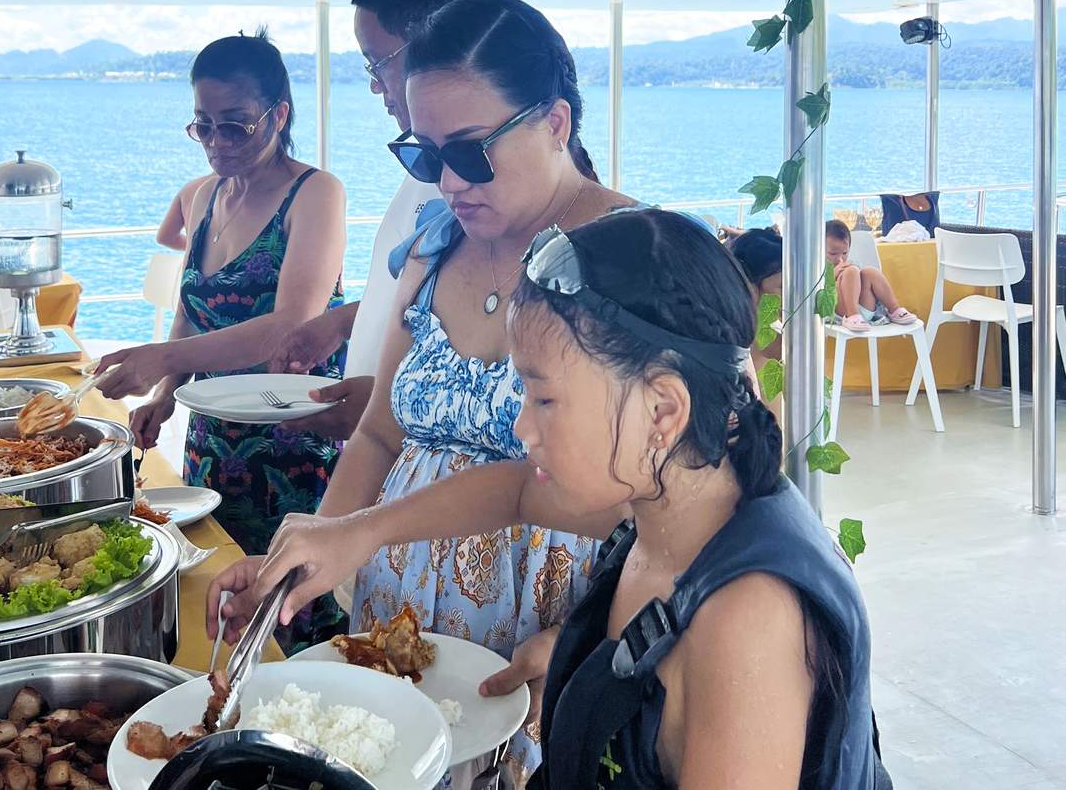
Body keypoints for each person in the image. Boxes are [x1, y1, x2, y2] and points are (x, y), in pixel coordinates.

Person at [224, 209, 891, 790]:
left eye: (542, 397)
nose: (522, 428)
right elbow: (513, 492)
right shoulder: (672, 494)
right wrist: (355, 532)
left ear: (662, 408)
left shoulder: (748, 619)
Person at [214, 0, 636, 786]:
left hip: (554, 646)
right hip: (405, 636)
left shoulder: (636, 258)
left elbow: (702, 495)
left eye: (470, 152)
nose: (446, 180)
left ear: (554, 122)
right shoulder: (437, 246)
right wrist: (309, 556)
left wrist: (595, 637)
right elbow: (378, 435)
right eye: (422, 154)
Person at [93, 32, 348, 652]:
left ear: (279, 115)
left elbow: (291, 321)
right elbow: (191, 308)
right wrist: (165, 390)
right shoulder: (203, 196)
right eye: (203, 126)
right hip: (214, 440)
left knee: (296, 609)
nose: (216, 143)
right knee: (219, 600)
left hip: (299, 441)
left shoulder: (314, 192)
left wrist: (166, 358)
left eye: (235, 126)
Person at [268, 0, 485, 442]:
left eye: (376, 62)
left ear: (429, 44)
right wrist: (345, 321)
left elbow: (502, 345)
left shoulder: (489, 185)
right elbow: (432, 303)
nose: (374, 85)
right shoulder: (425, 162)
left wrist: (392, 407)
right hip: (383, 460)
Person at [730, 227, 784, 425]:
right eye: (782, 287)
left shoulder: (740, 317)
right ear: (750, 285)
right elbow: (777, 350)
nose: (789, 295)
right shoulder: (753, 327)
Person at [826, 220, 916, 332]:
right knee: (852, 271)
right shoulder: (817, 269)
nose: (840, 259)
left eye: (844, 253)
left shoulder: (850, 264)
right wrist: (831, 276)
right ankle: (852, 315)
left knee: (869, 271)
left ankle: (894, 310)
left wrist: (853, 276)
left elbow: (859, 282)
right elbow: (813, 296)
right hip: (840, 312)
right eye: (833, 254)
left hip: (864, 311)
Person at [154, 176, 210, 251]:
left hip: (194, 261)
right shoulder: (228, 189)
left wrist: (194, 247)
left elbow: (164, 238)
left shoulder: (189, 188)